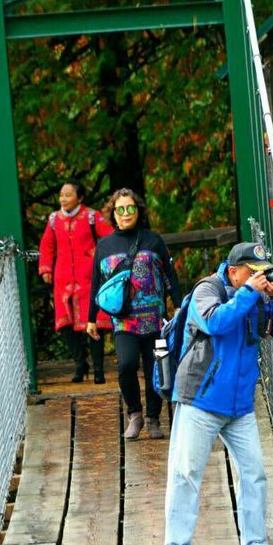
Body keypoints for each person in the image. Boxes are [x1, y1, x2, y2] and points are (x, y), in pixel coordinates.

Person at [162, 241, 273, 545]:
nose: (259, 279)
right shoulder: (206, 291)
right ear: (234, 271)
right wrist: (250, 293)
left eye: (262, 274)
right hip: (201, 400)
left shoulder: (256, 294)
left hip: (239, 405)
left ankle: (254, 541)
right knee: (187, 472)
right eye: (253, 273)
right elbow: (216, 323)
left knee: (255, 474)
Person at [87, 187, 181, 440]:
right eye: (120, 210)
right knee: (126, 364)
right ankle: (134, 414)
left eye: (130, 208)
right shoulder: (105, 245)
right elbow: (97, 283)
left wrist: (179, 305)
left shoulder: (153, 240)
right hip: (123, 321)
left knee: (155, 369)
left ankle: (153, 419)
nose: (126, 214)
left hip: (154, 319)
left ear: (138, 211)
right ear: (113, 214)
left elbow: (170, 275)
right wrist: (91, 318)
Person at [39, 179, 113, 383]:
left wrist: (99, 258)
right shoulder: (54, 219)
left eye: (68, 195)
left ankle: (98, 370)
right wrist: (45, 268)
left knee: (94, 323)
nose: (63, 199)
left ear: (79, 198)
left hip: (89, 277)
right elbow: (47, 246)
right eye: (61, 195)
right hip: (63, 278)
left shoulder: (92, 216)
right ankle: (80, 364)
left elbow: (109, 238)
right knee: (65, 324)